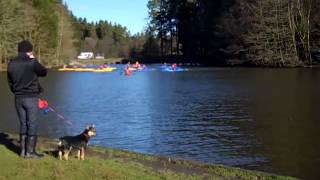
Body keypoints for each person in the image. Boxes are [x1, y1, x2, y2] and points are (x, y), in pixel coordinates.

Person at [7, 40, 47, 158]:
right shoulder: (32, 62)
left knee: (23, 124)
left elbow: (10, 82)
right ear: (29, 51)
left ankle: (23, 152)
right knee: (32, 124)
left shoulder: (11, 63)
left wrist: (17, 92)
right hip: (31, 97)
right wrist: (34, 59)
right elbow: (43, 72)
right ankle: (30, 152)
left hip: (18, 98)